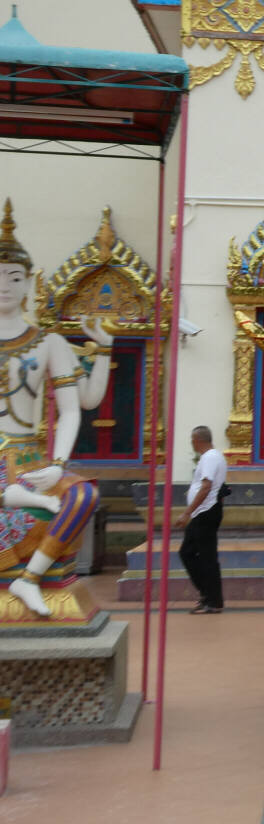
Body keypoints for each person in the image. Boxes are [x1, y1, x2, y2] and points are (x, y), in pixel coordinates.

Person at [0, 200, 111, 617]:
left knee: (83, 494)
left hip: (28, 458)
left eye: (14, 277)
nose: (5, 285)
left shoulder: (48, 342)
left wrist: (104, 350)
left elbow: (78, 406)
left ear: (29, 284)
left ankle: (31, 580)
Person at [178, 425, 228, 614]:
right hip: (204, 512)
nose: (192, 443)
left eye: (192, 440)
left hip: (205, 512)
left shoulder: (210, 458)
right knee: (188, 552)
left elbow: (207, 487)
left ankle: (212, 600)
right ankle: (208, 595)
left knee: (206, 557)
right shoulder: (212, 457)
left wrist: (187, 512)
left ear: (198, 440)